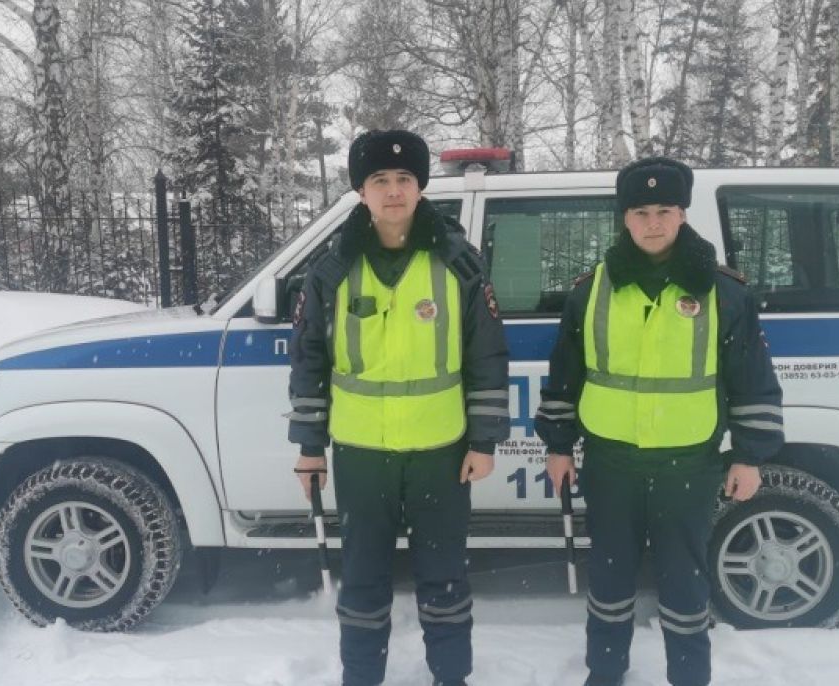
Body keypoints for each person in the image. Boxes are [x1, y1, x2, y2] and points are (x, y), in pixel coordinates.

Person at [536, 156, 784, 686]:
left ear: (682, 214)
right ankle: (604, 674)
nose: (653, 222)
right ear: (624, 218)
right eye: (641, 211)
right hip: (610, 462)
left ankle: (690, 677)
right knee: (609, 580)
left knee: (685, 584)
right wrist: (558, 446)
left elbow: (753, 382)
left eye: (664, 210)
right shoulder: (590, 291)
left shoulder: (725, 292)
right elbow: (564, 379)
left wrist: (749, 455)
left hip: (687, 464)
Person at [287, 129, 510, 686]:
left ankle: (451, 676)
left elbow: (487, 355)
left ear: (420, 188)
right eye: (379, 181)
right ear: (361, 191)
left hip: (441, 452)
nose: (393, 191)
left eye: (404, 179)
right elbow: (309, 359)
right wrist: (310, 451)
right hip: (362, 457)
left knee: (445, 580)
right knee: (363, 583)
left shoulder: (459, 263)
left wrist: (483, 442)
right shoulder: (332, 269)